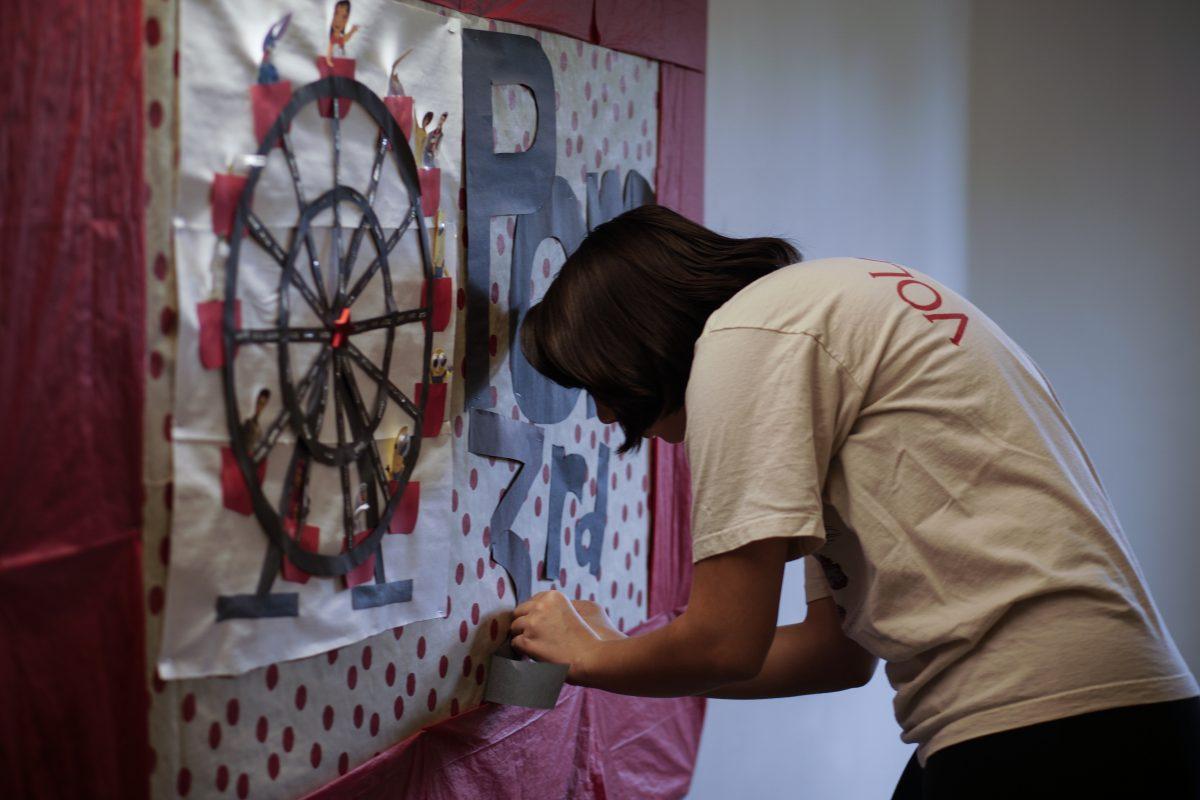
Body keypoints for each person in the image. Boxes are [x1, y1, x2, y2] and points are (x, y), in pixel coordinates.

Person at [512, 205, 1199, 798]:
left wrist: (589, 654)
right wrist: (611, 654)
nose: (605, 415)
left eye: (598, 384)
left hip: (1040, 721)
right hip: (1126, 708)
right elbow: (830, 654)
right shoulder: (819, 309)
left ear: (631, 339)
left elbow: (725, 643)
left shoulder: (744, 339)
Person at [325, 1, 360, 67]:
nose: (339, 20)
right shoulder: (334, 37)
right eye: (336, 14)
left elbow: (344, 39)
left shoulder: (338, 37)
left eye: (344, 17)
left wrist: (352, 31)